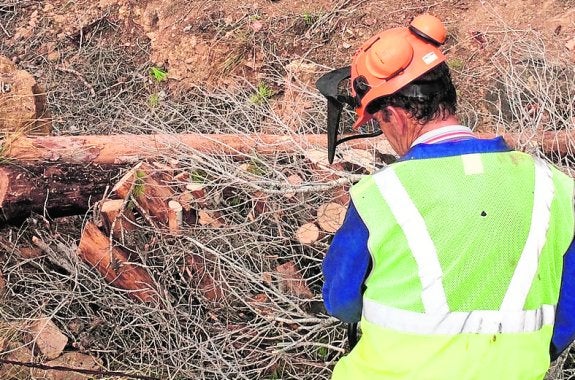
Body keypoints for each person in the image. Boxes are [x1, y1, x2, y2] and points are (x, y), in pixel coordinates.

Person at [318, 14, 575, 380]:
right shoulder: (556, 187)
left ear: (393, 114)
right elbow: (569, 306)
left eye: (379, 122)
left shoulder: (381, 195)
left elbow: (340, 299)